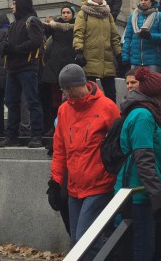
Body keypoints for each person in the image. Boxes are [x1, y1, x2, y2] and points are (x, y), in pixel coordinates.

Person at [48, 64, 120, 260]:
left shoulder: (107, 107)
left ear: (81, 84)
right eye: (64, 90)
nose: (66, 93)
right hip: (74, 188)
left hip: (99, 185)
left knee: (85, 240)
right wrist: (55, 181)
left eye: (68, 89)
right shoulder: (64, 111)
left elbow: (119, 146)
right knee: (77, 241)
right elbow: (60, 149)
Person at [115, 67, 161, 261]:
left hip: (142, 191)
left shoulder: (145, 113)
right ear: (156, 94)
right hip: (139, 195)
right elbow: (144, 159)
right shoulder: (143, 116)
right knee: (142, 251)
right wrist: (157, 195)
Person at [0, 0, 46, 148]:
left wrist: (15, 49)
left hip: (28, 67)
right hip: (12, 69)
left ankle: (36, 135)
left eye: (14, 4)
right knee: (11, 103)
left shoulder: (32, 21)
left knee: (32, 101)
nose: (12, 7)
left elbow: (36, 42)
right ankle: (11, 136)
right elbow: (8, 43)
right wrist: (4, 46)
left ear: (21, 5)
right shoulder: (13, 25)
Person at [73, 0, 122, 103]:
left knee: (111, 94)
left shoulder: (108, 14)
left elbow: (114, 36)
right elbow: (78, 33)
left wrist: (119, 53)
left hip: (107, 60)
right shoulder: (83, 13)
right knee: (91, 94)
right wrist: (79, 51)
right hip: (90, 59)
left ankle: (112, 119)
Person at [41, 5, 77, 127]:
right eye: (63, 12)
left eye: (68, 12)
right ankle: (54, 124)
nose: (65, 15)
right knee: (55, 97)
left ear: (72, 14)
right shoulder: (54, 27)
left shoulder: (77, 27)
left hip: (70, 63)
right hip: (55, 65)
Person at [122, 0, 161, 73]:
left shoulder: (160, 16)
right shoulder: (133, 16)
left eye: (146, 0)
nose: (143, 2)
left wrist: (150, 36)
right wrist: (125, 56)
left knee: (152, 85)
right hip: (135, 61)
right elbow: (127, 38)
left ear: (151, 1)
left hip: (153, 61)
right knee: (135, 86)